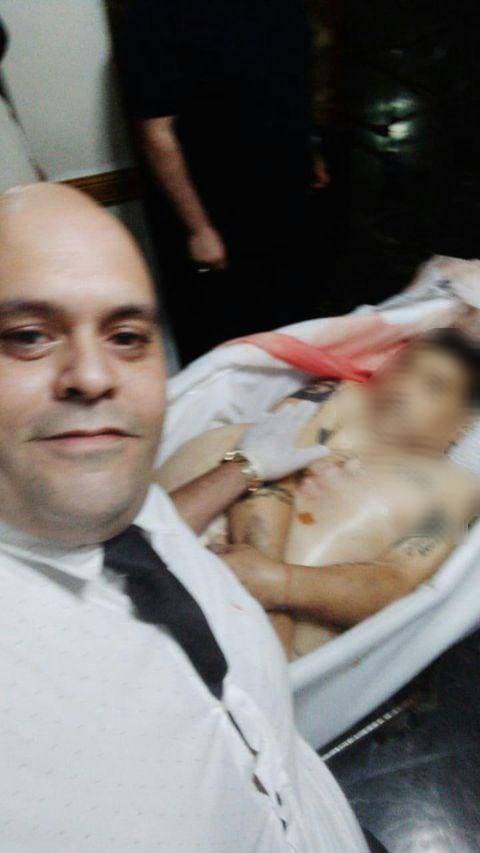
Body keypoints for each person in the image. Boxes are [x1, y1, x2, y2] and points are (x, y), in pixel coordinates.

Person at [0, 182, 368, 851]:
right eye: (27, 337)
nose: (93, 375)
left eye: (127, 336)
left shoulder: (97, 497)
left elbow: (145, 529)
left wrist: (248, 466)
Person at [158, 331, 480, 658]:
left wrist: (281, 585)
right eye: (403, 367)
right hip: (176, 556)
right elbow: (267, 460)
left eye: (433, 386)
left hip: (261, 637)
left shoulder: (453, 491)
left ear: (463, 424)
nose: (404, 387)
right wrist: (269, 601)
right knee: (238, 441)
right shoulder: (342, 397)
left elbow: (398, 582)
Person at [115, 0, 329, 364]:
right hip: (219, 209)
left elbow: (290, 84)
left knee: (296, 320)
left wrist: (310, 151)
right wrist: (198, 229)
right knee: (232, 342)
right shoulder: (152, 16)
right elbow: (156, 133)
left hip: (286, 193)